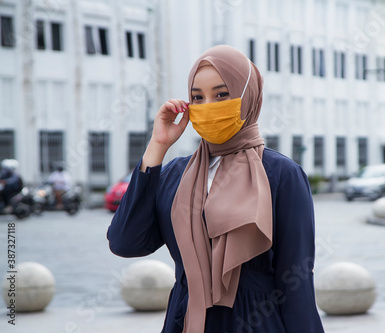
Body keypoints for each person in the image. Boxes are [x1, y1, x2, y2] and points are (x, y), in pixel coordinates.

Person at [107, 45, 324, 333]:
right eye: (198, 97)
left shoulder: (280, 174)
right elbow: (126, 243)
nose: (208, 105)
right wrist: (157, 147)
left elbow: (295, 277)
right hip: (186, 320)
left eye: (221, 95)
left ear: (247, 96)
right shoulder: (175, 174)